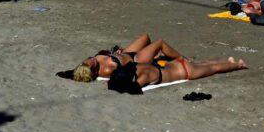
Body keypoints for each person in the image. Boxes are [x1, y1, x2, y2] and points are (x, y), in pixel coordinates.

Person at [107, 53, 247, 94]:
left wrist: (120, 86)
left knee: (214, 68)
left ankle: (238, 65)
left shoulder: (144, 77)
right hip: (176, 63)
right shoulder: (136, 66)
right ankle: (230, 62)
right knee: (206, 64)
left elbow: (135, 89)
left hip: (185, 72)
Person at [71, 33, 177, 81]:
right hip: (136, 59)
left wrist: (115, 54)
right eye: (90, 62)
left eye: (85, 61)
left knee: (145, 37)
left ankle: (154, 54)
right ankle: (183, 59)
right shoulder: (107, 70)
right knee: (160, 43)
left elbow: (107, 55)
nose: (90, 59)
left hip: (126, 53)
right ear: (93, 70)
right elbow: (124, 75)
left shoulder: (92, 61)